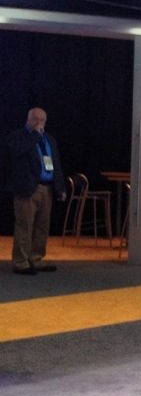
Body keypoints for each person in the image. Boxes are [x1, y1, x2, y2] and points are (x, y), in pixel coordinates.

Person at [6, 107, 67, 275]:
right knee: (24, 226)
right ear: (28, 120)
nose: (38, 122)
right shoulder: (18, 136)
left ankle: (36, 258)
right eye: (35, 119)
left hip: (46, 188)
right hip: (27, 188)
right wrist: (34, 136)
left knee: (42, 226)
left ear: (46, 122)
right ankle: (21, 262)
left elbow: (56, 163)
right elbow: (16, 152)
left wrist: (60, 187)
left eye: (42, 120)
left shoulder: (49, 139)